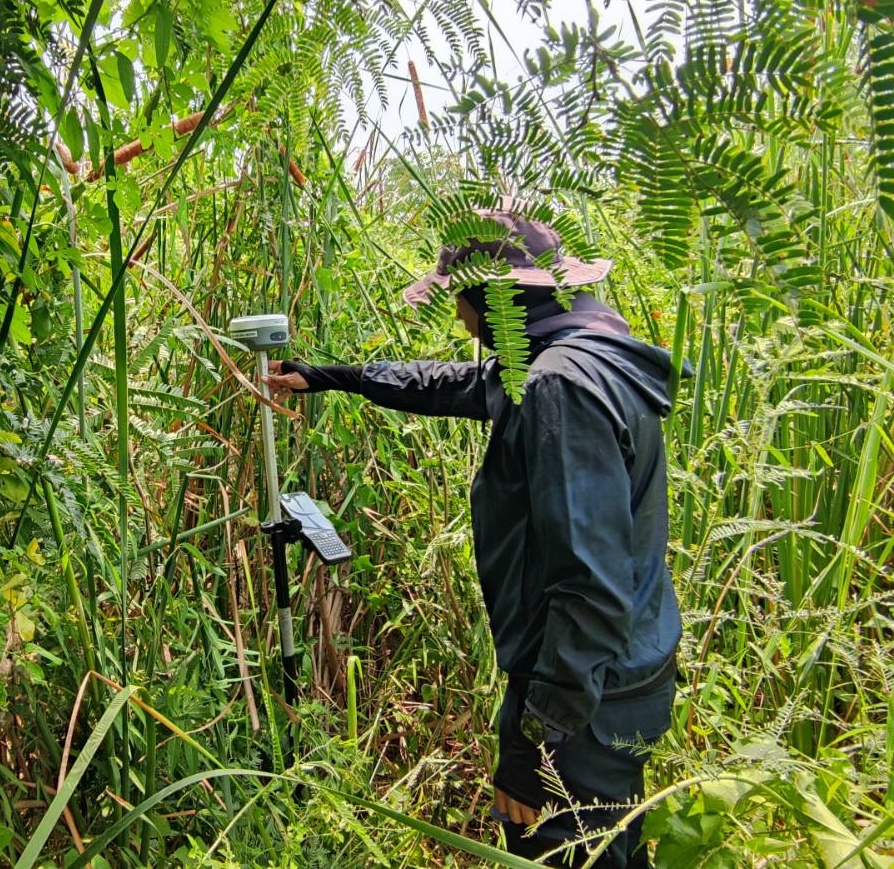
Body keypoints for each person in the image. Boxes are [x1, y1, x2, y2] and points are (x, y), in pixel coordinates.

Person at [263, 208, 686, 867]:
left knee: (564, 851)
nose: (459, 318)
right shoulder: (584, 354)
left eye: (461, 300)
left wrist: (531, 747)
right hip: (621, 673)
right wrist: (330, 376)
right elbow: (454, 383)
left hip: (583, 695)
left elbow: (588, 592)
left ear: (498, 302)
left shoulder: (559, 389)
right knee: (612, 846)